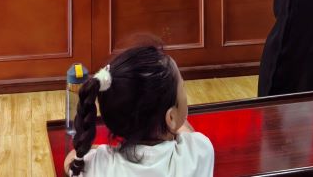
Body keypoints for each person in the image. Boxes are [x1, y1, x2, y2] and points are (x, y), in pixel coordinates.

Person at [64, 44, 214, 177]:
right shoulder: (198, 152)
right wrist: (174, 123)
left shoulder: (95, 166)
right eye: (183, 87)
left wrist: (97, 148)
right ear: (171, 118)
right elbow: (187, 133)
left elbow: (71, 159)